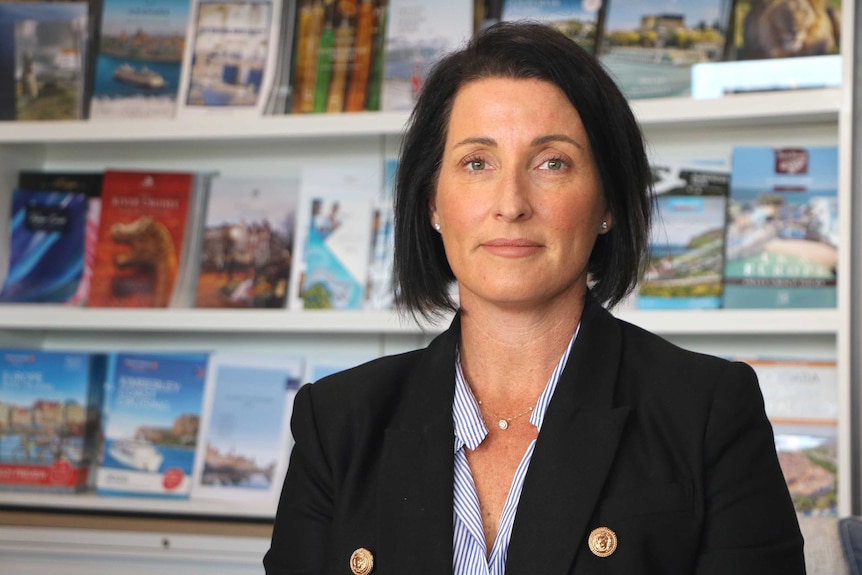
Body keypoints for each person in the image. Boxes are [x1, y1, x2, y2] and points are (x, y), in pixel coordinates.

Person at [264, 21, 805, 574]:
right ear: (432, 202)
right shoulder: (336, 422)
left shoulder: (708, 412)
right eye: (477, 163)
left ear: (607, 203)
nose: (511, 203)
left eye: (552, 162)